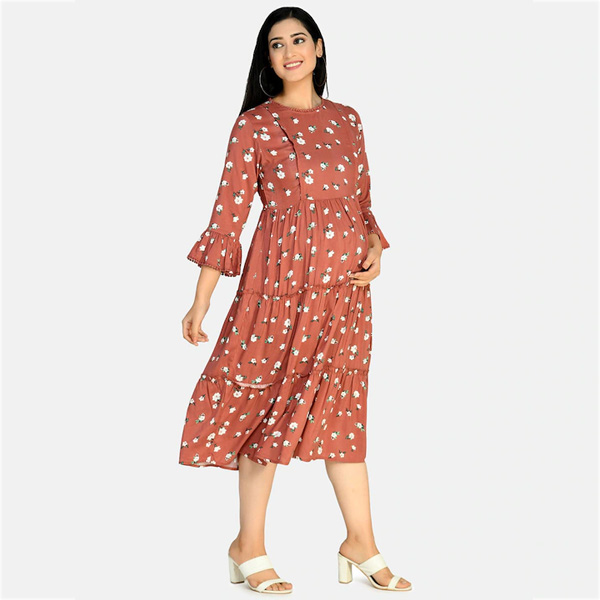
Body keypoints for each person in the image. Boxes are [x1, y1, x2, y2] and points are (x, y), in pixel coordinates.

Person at [178, 6, 412, 595]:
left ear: (319, 47)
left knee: (342, 411)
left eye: (299, 39)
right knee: (268, 408)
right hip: (280, 291)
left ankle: (361, 542)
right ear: (268, 58)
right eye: (277, 44)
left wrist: (375, 250)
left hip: (345, 295)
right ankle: (248, 546)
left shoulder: (349, 119)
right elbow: (228, 216)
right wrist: (201, 301)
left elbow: (361, 202)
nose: (289, 52)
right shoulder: (254, 126)